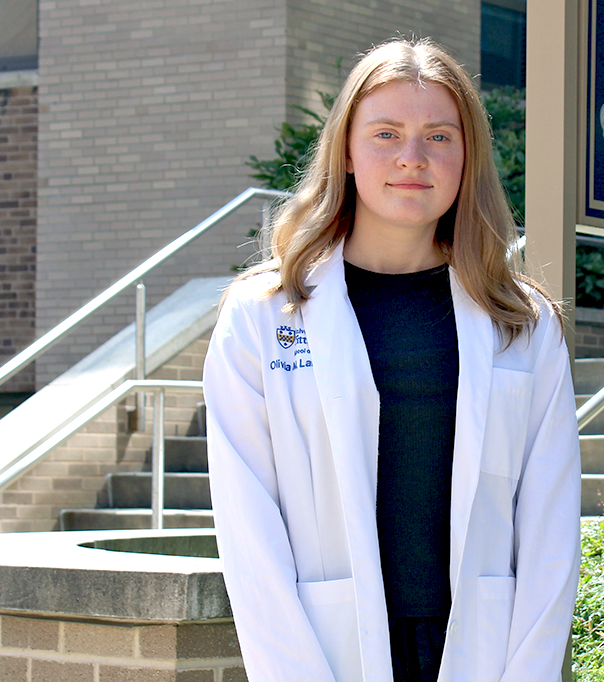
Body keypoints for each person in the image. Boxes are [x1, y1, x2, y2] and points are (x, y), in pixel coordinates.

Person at [203, 37, 581, 682]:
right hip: (326, 649)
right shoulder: (262, 315)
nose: (413, 158)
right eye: (385, 133)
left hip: (485, 650)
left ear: (467, 159)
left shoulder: (522, 323)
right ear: (346, 153)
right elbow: (249, 533)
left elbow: (550, 529)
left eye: (439, 136)